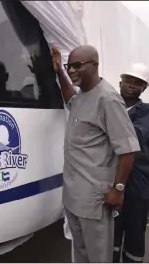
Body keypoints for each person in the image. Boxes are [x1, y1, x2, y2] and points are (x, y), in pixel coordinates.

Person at [51, 46, 141, 263]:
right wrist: (58, 72)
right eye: (68, 66)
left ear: (94, 66)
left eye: (77, 65)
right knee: (80, 254)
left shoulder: (108, 100)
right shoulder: (83, 95)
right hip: (73, 196)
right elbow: (70, 100)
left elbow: (128, 150)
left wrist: (118, 190)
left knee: (98, 257)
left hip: (94, 199)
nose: (71, 70)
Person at [113, 63, 149, 263]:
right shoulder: (109, 105)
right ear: (120, 82)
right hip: (112, 180)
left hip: (137, 185)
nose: (132, 86)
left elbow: (134, 135)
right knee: (112, 234)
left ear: (144, 88)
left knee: (135, 237)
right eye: (129, 81)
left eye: (139, 83)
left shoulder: (147, 112)